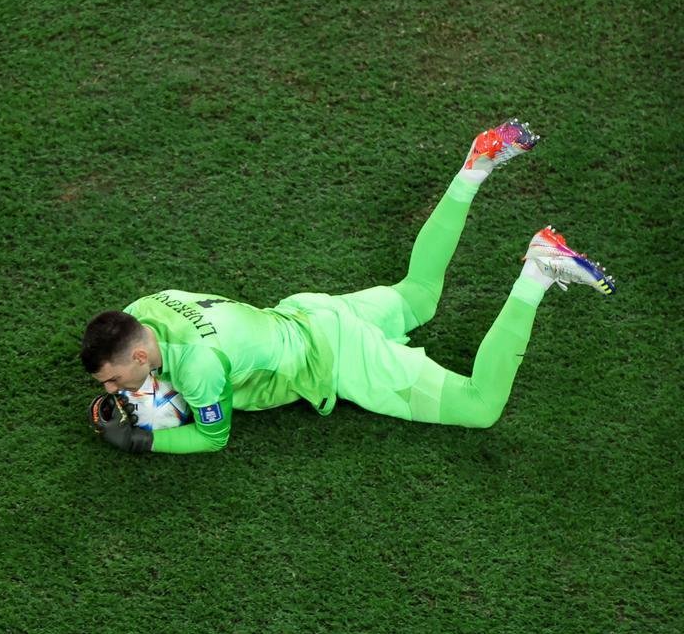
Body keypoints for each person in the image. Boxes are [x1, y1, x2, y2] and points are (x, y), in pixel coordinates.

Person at [81, 120, 616, 454]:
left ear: (141, 351)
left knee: (480, 407)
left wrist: (144, 440)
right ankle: (476, 163)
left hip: (338, 357)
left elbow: (212, 437)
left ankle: (537, 272)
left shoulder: (197, 368)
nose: (112, 388)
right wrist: (145, 388)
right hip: (310, 313)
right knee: (419, 294)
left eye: (113, 378)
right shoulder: (144, 307)